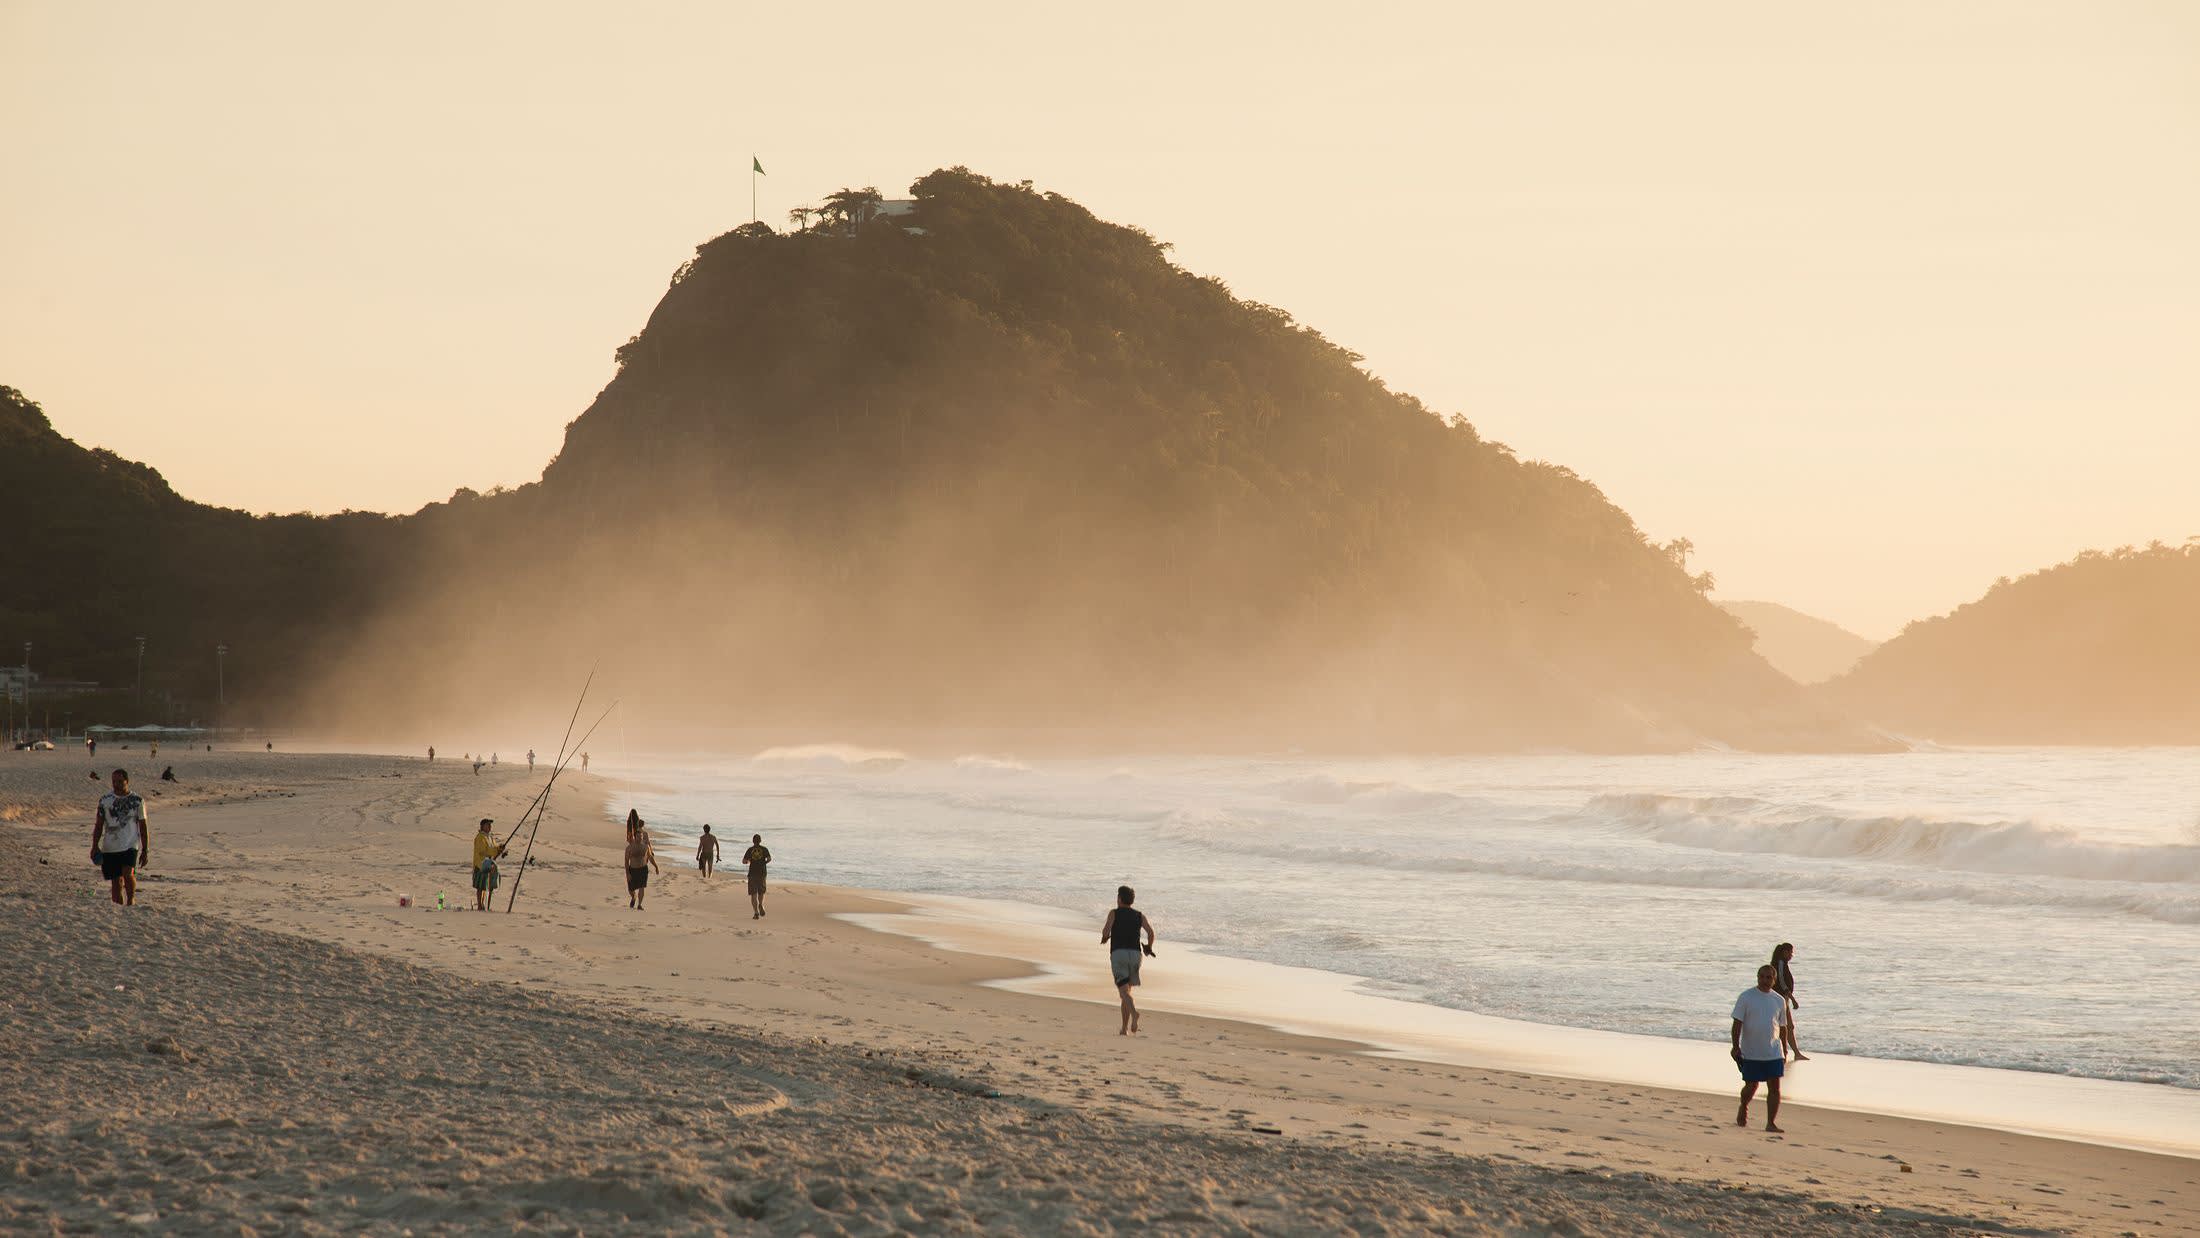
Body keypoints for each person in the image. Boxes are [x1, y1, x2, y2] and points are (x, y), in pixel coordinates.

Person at [1732, 963, 1792, 1133]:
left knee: (1775, 1088)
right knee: (1751, 1086)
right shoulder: (1746, 997)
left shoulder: (1779, 1000)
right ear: (1757, 977)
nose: (1765, 980)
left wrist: (1785, 1049)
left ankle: (1770, 1123)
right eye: (1762, 977)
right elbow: (1737, 1024)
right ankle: (1743, 1106)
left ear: (1774, 980)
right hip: (1751, 1051)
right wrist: (1735, 1047)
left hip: (1773, 1051)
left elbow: (1783, 1026)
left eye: (1768, 977)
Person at [1100, 885, 1156, 1035]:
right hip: (1136, 955)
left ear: (1119, 898)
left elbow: (1106, 931)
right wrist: (1148, 947)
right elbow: (1150, 932)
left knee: (1123, 991)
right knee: (1127, 991)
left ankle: (1135, 1013)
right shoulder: (1139, 915)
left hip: (1119, 954)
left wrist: (1105, 938)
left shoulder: (1114, 913)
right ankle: (1124, 1029)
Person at [90, 769, 149, 907]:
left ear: (127, 782)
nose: (116, 784)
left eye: (120, 781)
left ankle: (131, 900)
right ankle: (119, 908)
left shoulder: (137, 801)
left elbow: (143, 826)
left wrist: (145, 850)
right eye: (114, 781)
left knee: (128, 874)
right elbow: (98, 825)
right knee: (116, 881)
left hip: (130, 844)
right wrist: (94, 846)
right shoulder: (105, 801)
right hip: (110, 846)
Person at [1771, 942, 1808, 1061]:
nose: (1792, 955)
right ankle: (1788, 1053)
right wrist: (1793, 999)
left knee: (1786, 1026)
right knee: (1786, 1026)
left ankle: (1792, 1053)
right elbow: (1782, 982)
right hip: (1781, 999)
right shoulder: (1780, 964)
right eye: (1790, 952)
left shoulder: (1781, 963)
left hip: (1782, 999)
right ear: (1784, 952)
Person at [624, 815, 659, 909]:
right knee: (631, 889)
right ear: (635, 837)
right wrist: (627, 873)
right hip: (633, 869)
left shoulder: (645, 846)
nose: (640, 838)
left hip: (643, 869)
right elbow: (626, 861)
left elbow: (650, 857)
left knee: (642, 887)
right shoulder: (630, 848)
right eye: (639, 836)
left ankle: (639, 904)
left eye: (642, 836)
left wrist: (656, 866)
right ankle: (633, 897)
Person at [471, 817, 506, 910]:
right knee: (480, 885)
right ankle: (479, 904)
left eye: (490, 825)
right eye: (488, 825)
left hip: (489, 863)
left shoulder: (490, 837)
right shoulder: (480, 837)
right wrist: (496, 850)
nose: (490, 827)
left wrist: (500, 848)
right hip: (481, 864)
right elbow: (483, 851)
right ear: (482, 826)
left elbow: (494, 848)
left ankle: (483, 904)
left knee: (486, 884)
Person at [741, 834, 771, 919]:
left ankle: (756, 913)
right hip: (762, 873)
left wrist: (749, 862)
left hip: (752, 873)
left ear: (753, 841)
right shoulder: (764, 849)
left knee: (753, 894)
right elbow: (769, 859)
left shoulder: (750, 850)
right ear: (760, 840)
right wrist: (763, 863)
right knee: (761, 892)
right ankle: (761, 904)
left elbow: (744, 861)